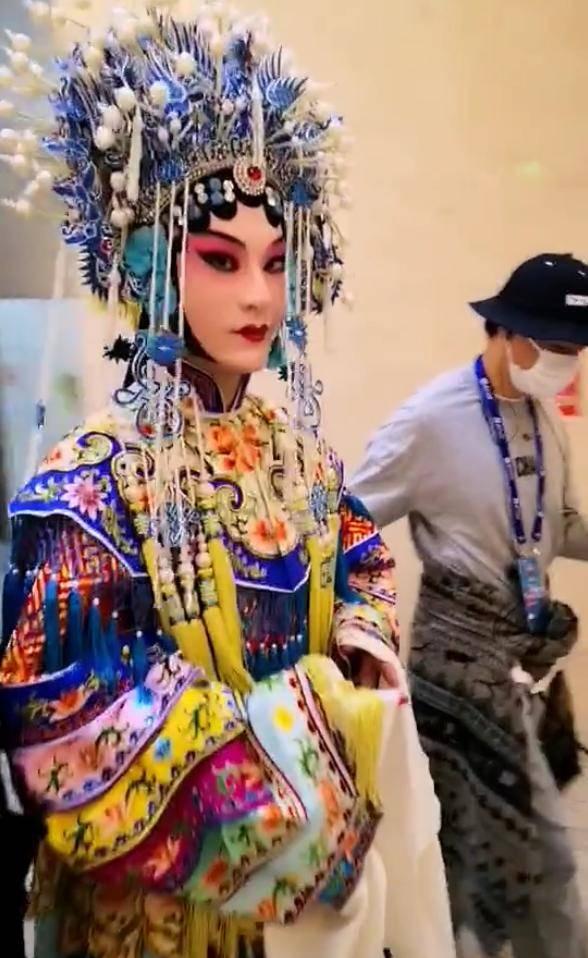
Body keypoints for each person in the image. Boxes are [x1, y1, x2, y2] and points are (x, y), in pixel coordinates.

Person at [0, 5, 455, 958]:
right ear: (148, 263)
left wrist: (362, 651)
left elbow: (362, 556)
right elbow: (69, 730)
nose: (258, 295)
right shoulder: (87, 488)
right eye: (220, 258)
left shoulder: (300, 457)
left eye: (277, 264)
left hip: (319, 908)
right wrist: (306, 763)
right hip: (160, 918)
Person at [351, 252, 588, 958]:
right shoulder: (432, 419)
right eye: (554, 346)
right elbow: (348, 520)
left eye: (576, 349)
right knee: (506, 858)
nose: (567, 363)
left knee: (490, 861)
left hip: (518, 668)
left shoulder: (544, 422)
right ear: (504, 331)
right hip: (455, 675)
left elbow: (559, 524)